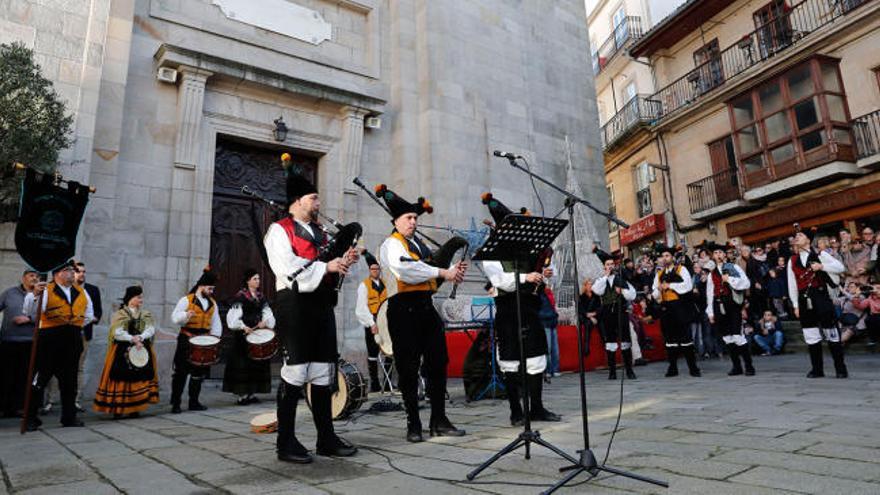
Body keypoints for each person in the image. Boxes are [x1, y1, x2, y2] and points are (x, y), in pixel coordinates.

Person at [264, 162, 359, 463]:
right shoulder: (278, 230)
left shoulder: (320, 232)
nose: (318, 203)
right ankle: (286, 442)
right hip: (294, 304)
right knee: (295, 371)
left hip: (321, 305)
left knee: (322, 372)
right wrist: (325, 266)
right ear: (298, 201)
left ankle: (326, 439)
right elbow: (286, 268)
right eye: (314, 198)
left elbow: (329, 269)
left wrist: (344, 260)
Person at [377, 184, 467, 442]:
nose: (413, 222)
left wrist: (451, 272)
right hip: (402, 310)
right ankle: (413, 424)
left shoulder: (420, 245)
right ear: (396, 221)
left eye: (415, 218)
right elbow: (406, 270)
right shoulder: (390, 245)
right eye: (408, 218)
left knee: (438, 362)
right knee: (408, 368)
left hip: (426, 308)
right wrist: (442, 272)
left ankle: (439, 419)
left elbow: (430, 274)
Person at [480, 193, 560, 426]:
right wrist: (527, 276)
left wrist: (545, 274)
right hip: (507, 310)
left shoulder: (530, 249)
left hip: (529, 307)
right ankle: (516, 411)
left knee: (536, 358)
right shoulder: (491, 252)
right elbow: (500, 281)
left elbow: (546, 272)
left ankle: (537, 408)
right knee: (511, 361)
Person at [22, 260, 94, 430]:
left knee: (70, 381)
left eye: (72, 270)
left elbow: (89, 315)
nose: (72, 273)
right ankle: (31, 418)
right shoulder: (46, 290)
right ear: (58, 274)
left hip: (72, 338)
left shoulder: (81, 292)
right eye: (69, 270)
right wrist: (34, 295)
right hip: (49, 339)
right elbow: (30, 312)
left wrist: (72, 325)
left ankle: (69, 417)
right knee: (40, 379)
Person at [787, 225, 848, 378]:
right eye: (796, 236)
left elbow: (840, 267)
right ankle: (817, 369)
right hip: (803, 299)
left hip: (821, 297)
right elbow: (792, 284)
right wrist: (795, 304)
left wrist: (822, 266)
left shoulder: (820, 254)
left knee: (831, 333)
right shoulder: (792, 260)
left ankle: (840, 369)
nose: (796, 238)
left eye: (800, 235)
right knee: (811, 334)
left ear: (808, 240)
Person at [93, 286, 159, 418]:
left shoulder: (145, 314)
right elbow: (117, 332)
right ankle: (118, 408)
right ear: (131, 298)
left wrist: (140, 337)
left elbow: (151, 329)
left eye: (141, 297)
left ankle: (135, 407)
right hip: (122, 349)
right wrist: (131, 338)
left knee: (139, 377)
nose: (141, 299)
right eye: (138, 297)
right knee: (120, 376)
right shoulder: (120, 314)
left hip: (141, 348)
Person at [169, 267, 222, 413]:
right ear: (202, 287)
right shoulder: (186, 300)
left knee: (198, 373)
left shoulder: (213, 304)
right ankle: (176, 403)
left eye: (212, 289)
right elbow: (174, 318)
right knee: (181, 372)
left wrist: (215, 340)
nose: (211, 291)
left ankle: (194, 401)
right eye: (210, 288)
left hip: (204, 341)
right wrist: (186, 315)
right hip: (187, 339)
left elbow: (216, 323)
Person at [222, 270, 275, 405]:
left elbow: (267, 312)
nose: (258, 281)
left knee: (256, 363)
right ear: (248, 281)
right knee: (243, 365)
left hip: (256, 335)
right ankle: (242, 395)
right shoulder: (240, 297)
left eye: (258, 279)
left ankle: (251, 394)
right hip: (244, 336)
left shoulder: (260, 296)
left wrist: (265, 321)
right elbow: (233, 317)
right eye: (255, 279)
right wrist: (242, 326)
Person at [705, 241, 754, 376]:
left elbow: (746, 283)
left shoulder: (733, 267)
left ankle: (749, 366)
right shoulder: (712, 274)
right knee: (727, 337)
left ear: (724, 255)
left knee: (738, 336)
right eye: (716, 253)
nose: (718, 255)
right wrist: (710, 312)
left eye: (720, 252)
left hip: (732, 305)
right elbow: (710, 293)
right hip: (718, 305)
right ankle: (736, 366)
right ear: (713, 257)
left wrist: (730, 280)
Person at [652, 244, 701, 377]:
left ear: (672, 257)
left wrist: (670, 285)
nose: (665, 258)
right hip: (666, 308)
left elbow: (688, 286)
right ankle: (672, 367)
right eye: (663, 256)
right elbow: (654, 292)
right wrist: (658, 290)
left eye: (667, 256)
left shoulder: (681, 269)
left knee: (685, 337)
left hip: (680, 306)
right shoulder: (659, 274)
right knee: (670, 339)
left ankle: (693, 368)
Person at [592, 248, 638, 380]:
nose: (610, 266)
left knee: (625, 340)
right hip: (607, 312)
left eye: (612, 264)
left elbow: (632, 295)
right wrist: (606, 275)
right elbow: (597, 290)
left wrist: (622, 290)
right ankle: (612, 371)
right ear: (604, 266)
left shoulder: (621, 278)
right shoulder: (601, 280)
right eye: (608, 264)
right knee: (610, 341)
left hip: (620, 311)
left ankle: (629, 370)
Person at [0, 269, 39, 417]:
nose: (34, 278)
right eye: (31, 276)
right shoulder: (10, 293)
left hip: (30, 342)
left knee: (25, 376)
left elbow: (47, 315)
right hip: (8, 340)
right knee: (6, 375)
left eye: (36, 276)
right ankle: (5, 407)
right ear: (23, 278)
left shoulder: (41, 295)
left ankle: (21, 407)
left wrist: (29, 319)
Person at [354, 251, 391, 393]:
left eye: (377, 269)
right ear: (369, 270)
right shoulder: (364, 286)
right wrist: (371, 323)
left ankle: (387, 384)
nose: (375, 271)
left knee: (389, 350)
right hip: (373, 322)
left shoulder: (386, 284)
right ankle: (375, 384)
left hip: (386, 322)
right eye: (372, 269)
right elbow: (361, 308)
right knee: (373, 353)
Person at [72, 261, 102, 412]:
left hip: (84, 334)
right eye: (78, 271)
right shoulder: (66, 288)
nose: (82, 274)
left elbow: (98, 312)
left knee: (79, 368)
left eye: (84, 271)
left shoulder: (92, 290)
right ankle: (50, 400)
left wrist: (92, 318)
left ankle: (76, 400)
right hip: (66, 334)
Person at [539, 286, 560, 379]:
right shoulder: (541, 294)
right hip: (546, 322)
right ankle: (549, 370)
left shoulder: (549, 293)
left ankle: (555, 369)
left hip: (552, 322)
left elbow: (552, 307)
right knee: (548, 347)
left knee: (555, 348)